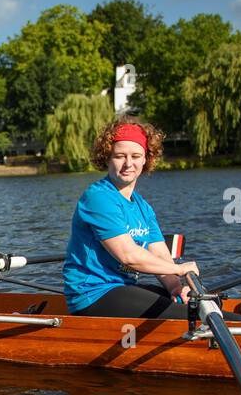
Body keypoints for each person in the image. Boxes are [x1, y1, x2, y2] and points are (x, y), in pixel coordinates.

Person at [61, 117, 199, 319]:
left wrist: (176, 288)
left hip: (123, 288)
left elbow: (159, 255)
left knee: (199, 305)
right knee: (191, 315)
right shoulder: (98, 198)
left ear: (146, 159)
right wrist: (179, 269)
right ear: (107, 157)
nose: (128, 164)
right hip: (93, 294)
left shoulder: (143, 207)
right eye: (120, 156)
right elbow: (129, 256)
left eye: (135, 156)